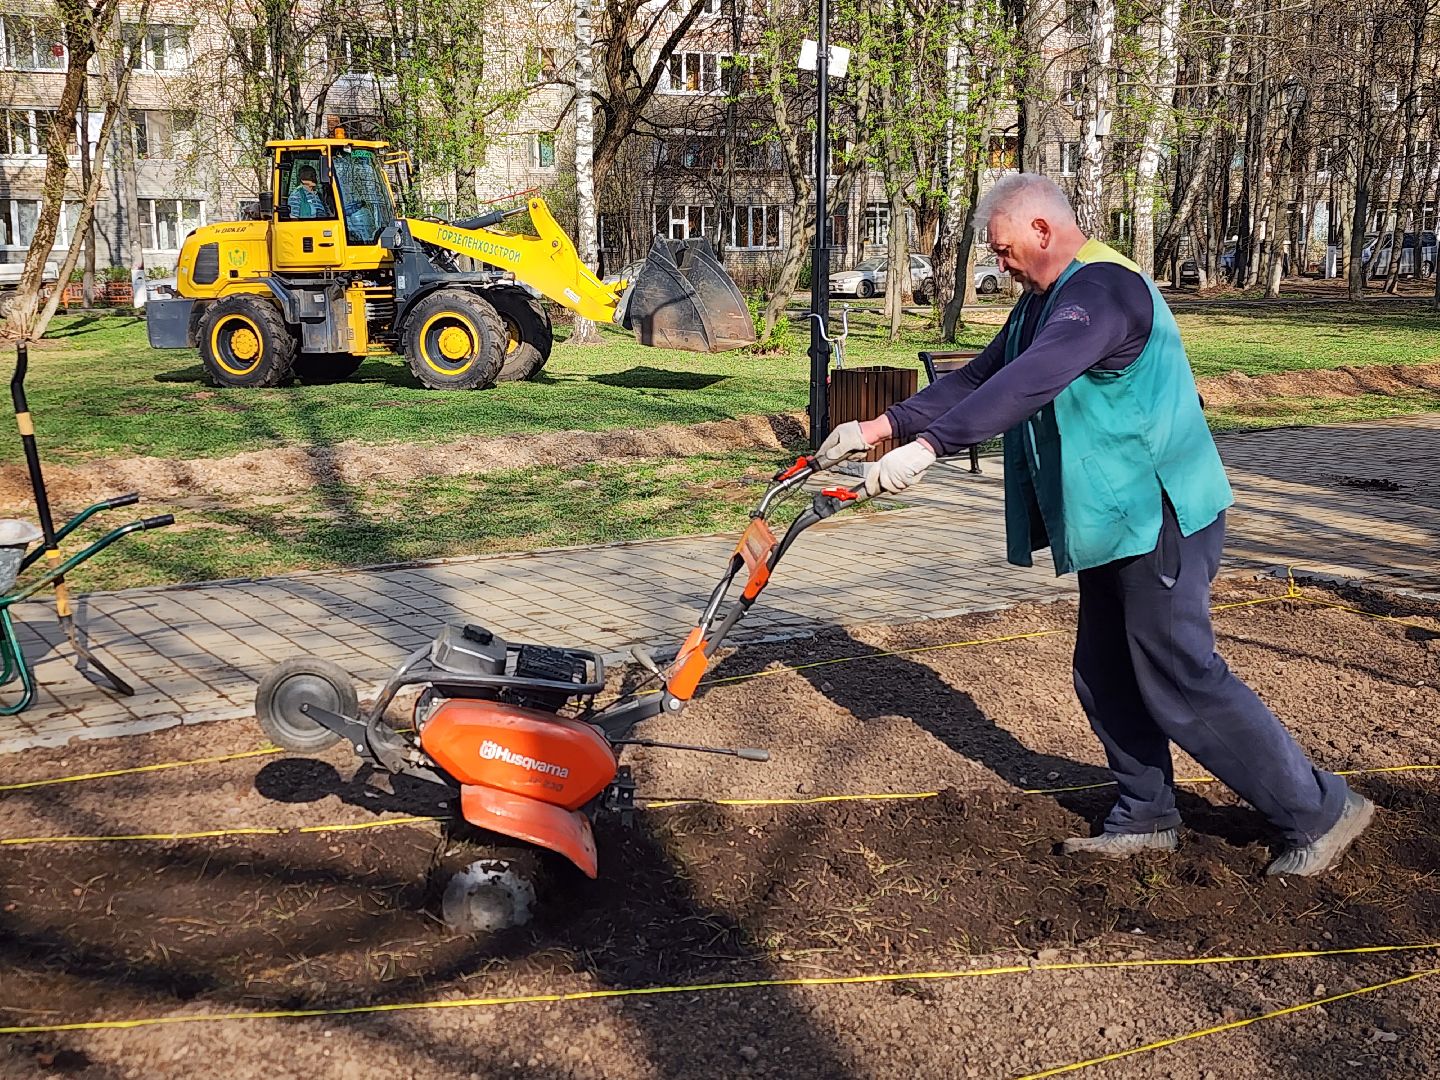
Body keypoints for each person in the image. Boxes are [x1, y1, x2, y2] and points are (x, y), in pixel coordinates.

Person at [815, 173, 1373, 878]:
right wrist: (879, 426)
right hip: (1118, 520)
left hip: (1162, 513)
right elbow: (980, 377)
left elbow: (1030, 382)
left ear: (1042, 231)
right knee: (1104, 670)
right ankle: (1146, 815)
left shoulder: (1105, 291)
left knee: (1179, 677)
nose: (1003, 265)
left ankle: (1320, 810)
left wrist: (930, 450)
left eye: (1007, 249)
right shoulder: (1042, 301)